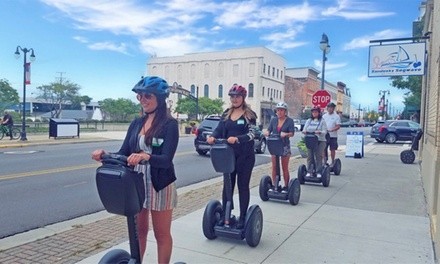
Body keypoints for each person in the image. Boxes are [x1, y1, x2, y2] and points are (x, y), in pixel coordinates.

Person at [91, 76, 178, 264]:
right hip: (136, 181)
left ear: (160, 98)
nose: (143, 100)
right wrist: (105, 154)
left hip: (159, 183)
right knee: (139, 231)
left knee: (162, 234)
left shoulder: (169, 124)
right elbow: (124, 151)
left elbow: (166, 160)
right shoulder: (136, 123)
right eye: (140, 96)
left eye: (148, 96)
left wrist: (147, 156)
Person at [207, 84, 257, 229]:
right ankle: (225, 215)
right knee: (227, 187)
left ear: (243, 98)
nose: (235, 99)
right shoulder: (226, 114)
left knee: (242, 186)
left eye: (237, 96)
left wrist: (238, 139)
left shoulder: (249, 115)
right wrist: (212, 137)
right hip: (228, 156)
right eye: (232, 96)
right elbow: (219, 129)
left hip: (245, 157)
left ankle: (242, 217)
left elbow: (253, 134)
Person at [264, 102, 295, 191]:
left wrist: (286, 134)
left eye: (281, 110)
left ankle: (286, 186)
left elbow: (292, 133)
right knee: (274, 166)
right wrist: (267, 132)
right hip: (275, 145)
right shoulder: (273, 120)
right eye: (278, 110)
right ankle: (275, 185)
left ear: (285, 111)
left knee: (284, 167)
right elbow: (269, 129)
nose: (279, 112)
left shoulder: (289, 121)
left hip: (284, 146)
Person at [302, 106, 327, 177]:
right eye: (313, 112)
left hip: (320, 141)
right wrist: (304, 131)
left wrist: (320, 132)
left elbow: (325, 131)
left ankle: (318, 171)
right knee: (310, 156)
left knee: (318, 155)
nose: (314, 113)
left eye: (316, 112)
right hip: (310, 140)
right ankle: (309, 171)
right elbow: (305, 129)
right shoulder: (309, 120)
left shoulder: (322, 121)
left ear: (319, 113)